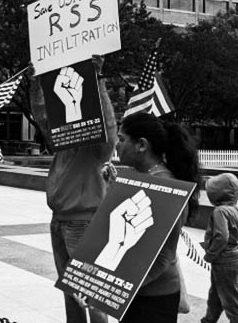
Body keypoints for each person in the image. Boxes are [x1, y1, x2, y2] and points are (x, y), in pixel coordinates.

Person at [44, 56, 114, 323]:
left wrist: (96, 79)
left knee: (92, 294)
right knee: (70, 291)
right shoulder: (63, 139)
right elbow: (44, 116)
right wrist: (37, 83)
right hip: (59, 221)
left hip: (82, 222)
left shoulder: (96, 146)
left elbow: (109, 129)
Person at [115, 112, 200, 323]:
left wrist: (115, 286)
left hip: (152, 298)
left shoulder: (163, 186)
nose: (117, 145)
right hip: (143, 293)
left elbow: (163, 256)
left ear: (141, 145)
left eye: (122, 139)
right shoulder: (147, 179)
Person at [201, 173, 238, 323]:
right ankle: (208, 320)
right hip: (233, 258)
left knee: (230, 301)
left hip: (223, 260)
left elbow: (222, 236)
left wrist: (210, 254)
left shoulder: (220, 211)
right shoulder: (236, 209)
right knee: (216, 294)